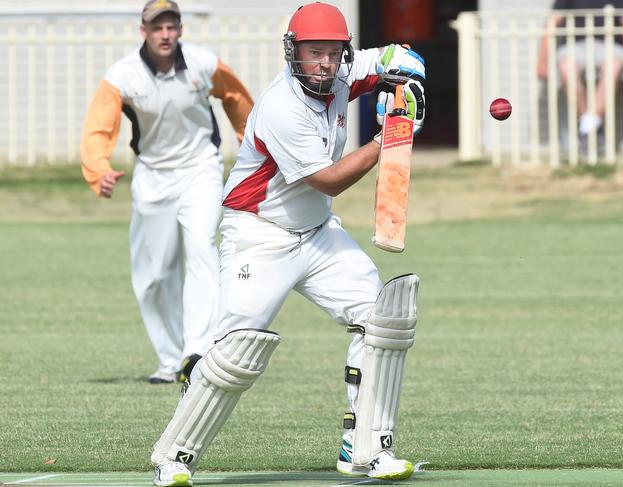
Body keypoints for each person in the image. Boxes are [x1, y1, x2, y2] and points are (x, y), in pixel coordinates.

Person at [149, 2, 426, 485]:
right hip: (259, 236)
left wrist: (407, 83)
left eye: (332, 53)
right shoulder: (282, 106)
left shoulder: (342, 72)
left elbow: (398, 59)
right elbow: (330, 180)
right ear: (293, 53)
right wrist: (391, 137)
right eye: (312, 53)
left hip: (318, 234)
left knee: (383, 320)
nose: (323, 63)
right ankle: (174, 457)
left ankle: (363, 446)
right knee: (234, 353)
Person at [80, 0, 254, 384]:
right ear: (143, 30)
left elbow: (238, 100)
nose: (165, 34)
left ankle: (199, 351)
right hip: (152, 176)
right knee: (154, 275)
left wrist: (251, 145)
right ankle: (169, 360)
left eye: (171, 26)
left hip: (201, 170)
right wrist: (99, 170)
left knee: (201, 248)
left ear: (180, 29)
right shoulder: (121, 76)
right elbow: (99, 128)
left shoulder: (205, 63)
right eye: (157, 27)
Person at [537, 0, 623, 144]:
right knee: (566, 67)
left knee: (613, 66)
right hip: (575, 45)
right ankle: (593, 126)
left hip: (610, 46)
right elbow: (551, 24)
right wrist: (542, 60)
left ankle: (586, 128)